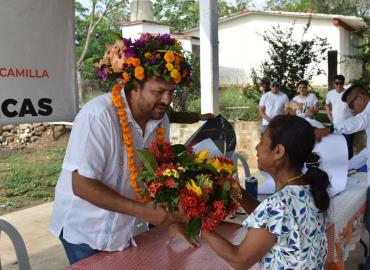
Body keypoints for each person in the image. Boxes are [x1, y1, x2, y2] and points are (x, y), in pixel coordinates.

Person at [49, 33, 191, 264]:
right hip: (86, 232)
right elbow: (82, 185)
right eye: (158, 92)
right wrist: (145, 212)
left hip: (126, 230)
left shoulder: (160, 121)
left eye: (171, 91)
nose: (167, 100)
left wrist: (173, 222)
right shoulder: (99, 116)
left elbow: (159, 176)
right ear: (134, 86)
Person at [169, 115, 330, 269]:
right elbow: (270, 219)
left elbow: (239, 260)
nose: (256, 147)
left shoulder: (279, 204)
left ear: (278, 152)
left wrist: (194, 221)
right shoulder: (309, 188)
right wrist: (233, 188)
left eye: (262, 141)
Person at [315, 83, 370, 268]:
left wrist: (330, 129)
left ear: (361, 98)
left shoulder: (367, 113)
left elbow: (358, 122)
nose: (351, 111)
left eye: (352, 106)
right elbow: (368, 152)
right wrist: (346, 165)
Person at [325, 75, 353, 158]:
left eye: (341, 83)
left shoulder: (349, 93)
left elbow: (354, 106)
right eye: (337, 83)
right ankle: (339, 164)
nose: (339, 85)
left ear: (343, 83)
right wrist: (329, 115)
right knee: (337, 145)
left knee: (348, 145)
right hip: (336, 124)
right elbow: (327, 104)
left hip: (348, 124)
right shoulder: (330, 93)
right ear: (334, 84)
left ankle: (349, 165)